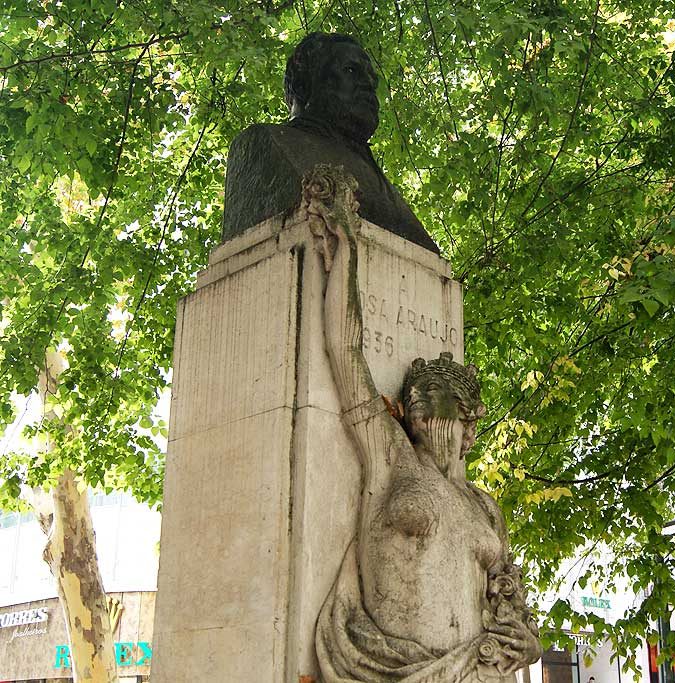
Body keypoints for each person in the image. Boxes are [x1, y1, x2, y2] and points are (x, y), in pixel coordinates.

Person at [313, 169, 540, 682]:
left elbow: (513, 615)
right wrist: (345, 249)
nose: (419, 413)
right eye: (414, 405)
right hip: (392, 669)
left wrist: (524, 642)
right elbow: (346, 355)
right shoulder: (391, 456)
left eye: (435, 405)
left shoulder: (486, 508)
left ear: (468, 424)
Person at [222, 33, 437, 253]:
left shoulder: (371, 172)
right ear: (303, 84)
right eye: (351, 70)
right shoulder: (264, 144)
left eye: (372, 79)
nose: (368, 85)